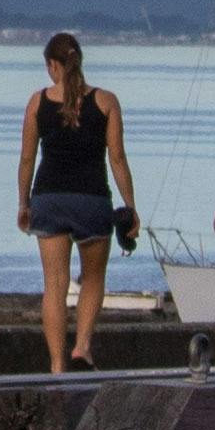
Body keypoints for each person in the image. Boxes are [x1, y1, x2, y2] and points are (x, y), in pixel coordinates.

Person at [13, 36, 138, 374]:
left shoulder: (37, 103)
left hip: (49, 198)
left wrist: (24, 203)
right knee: (93, 277)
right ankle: (82, 346)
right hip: (92, 198)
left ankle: (57, 364)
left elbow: (27, 160)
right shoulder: (106, 101)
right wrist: (130, 205)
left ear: (52, 66)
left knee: (55, 284)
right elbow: (118, 158)